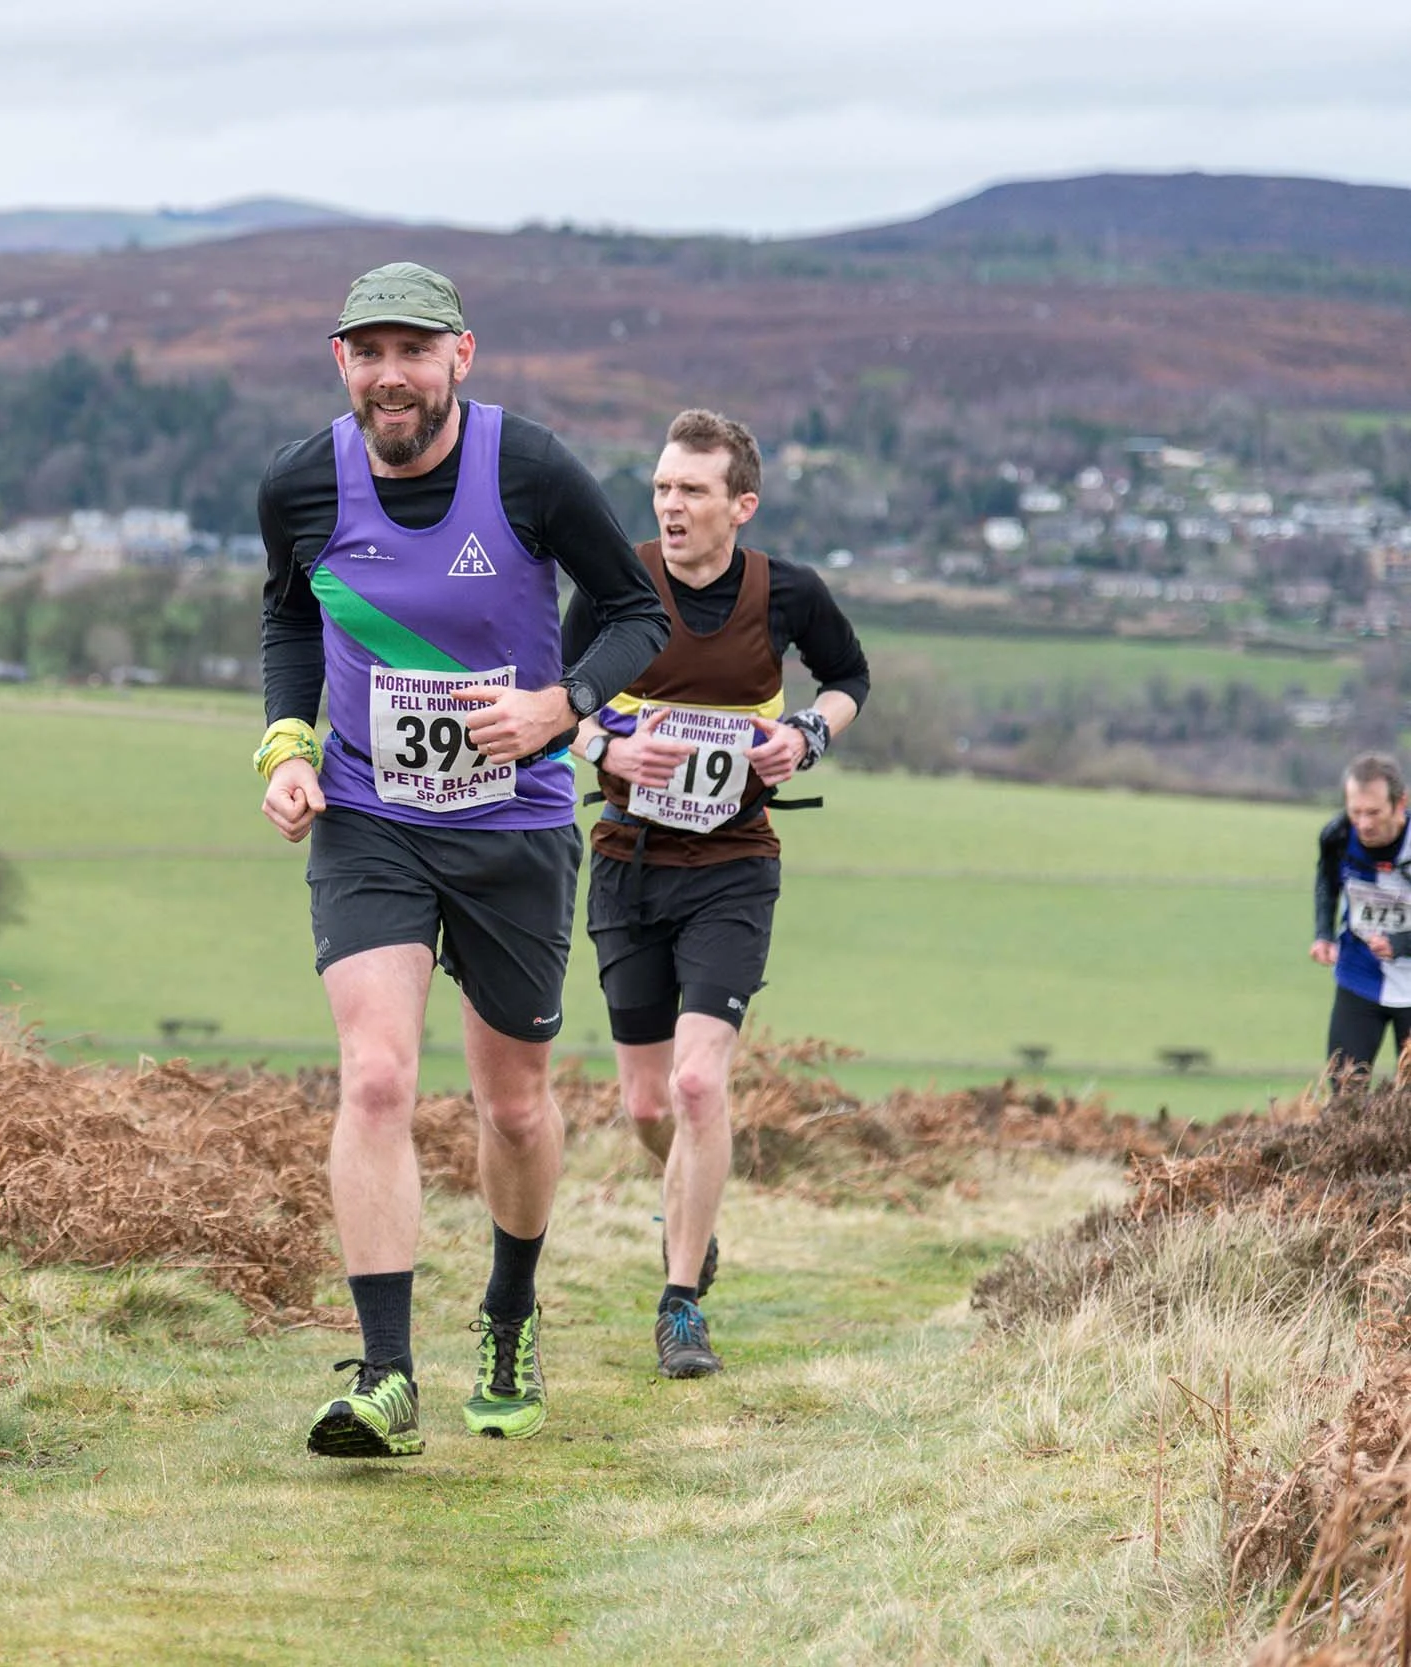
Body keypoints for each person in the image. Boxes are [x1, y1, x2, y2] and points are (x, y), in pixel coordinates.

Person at [255, 262, 668, 1457]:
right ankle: (385, 1374)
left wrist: (562, 705)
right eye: (369, 351)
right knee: (376, 1077)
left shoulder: (527, 467)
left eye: (415, 350)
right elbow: (288, 615)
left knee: (514, 1103)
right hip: (369, 816)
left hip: (511, 825)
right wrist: (287, 745)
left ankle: (509, 1311)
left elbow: (636, 611)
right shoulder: (299, 481)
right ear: (340, 360)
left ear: (460, 355)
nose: (392, 375)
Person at [564, 409, 869, 1380]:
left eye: (691, 490)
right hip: (627, 861)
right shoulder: (615, 584)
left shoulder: (789, 592)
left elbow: (849, 675)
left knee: (698, 1084)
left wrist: (807, 736)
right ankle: (692, 1208)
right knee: (646, 1103)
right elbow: (553, 697)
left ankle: (680, 1300)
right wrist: (608, 746)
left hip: (734, 864)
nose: (671, 504)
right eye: (661, 487)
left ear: (740, 504)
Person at [1312, 753, 1411, 1080]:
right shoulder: (1337, 836)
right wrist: (1323, 934)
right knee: (1344, 1091)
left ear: (1400, 803)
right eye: (1355, 812)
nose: (1364, 824)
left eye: (1374, 812)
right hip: (1359, 976)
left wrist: (1400, 943)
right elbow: (1326, 882)